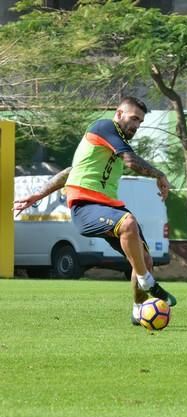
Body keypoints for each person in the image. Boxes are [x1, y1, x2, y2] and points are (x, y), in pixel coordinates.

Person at [13, 96, 176, 325]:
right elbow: (130, 161)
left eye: (140, 121)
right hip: (85, 207)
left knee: (145, 258)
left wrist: (38, 194)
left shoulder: (112, 144)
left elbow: (72, 170)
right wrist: (159, 174)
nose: (136, 125)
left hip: (108, 206)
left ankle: (138, 310)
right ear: (118, 114)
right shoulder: (105, 127)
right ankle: (146, 281)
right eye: (133, 118)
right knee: (128, 224)